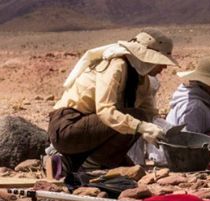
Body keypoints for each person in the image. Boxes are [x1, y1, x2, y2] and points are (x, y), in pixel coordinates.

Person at [48, 30, 177, 183]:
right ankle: (88, 166)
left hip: (91, 130)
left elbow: (149, 113)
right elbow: (105, 111)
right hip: (68, 127)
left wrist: (166, 135)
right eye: (162, 61)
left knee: (130, 170)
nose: (164, 67)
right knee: (136, 118)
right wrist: (142, 127)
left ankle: (82, 162)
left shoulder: (142, 81)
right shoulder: (116, 65)